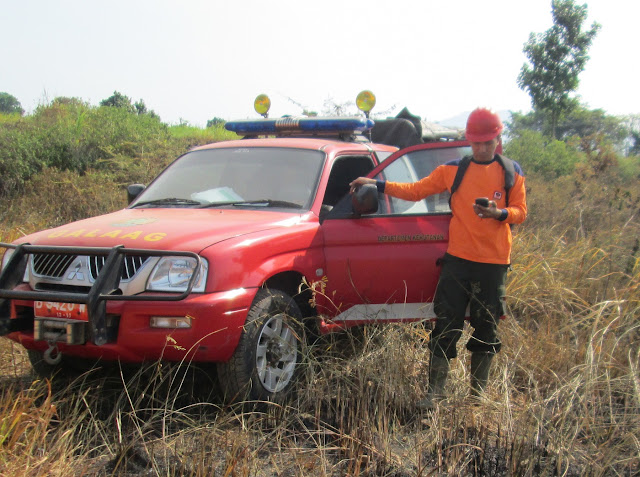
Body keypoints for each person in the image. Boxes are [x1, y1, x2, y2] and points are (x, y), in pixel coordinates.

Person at [349, 108, 527, 408]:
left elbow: (521, 211)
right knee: (446, 326)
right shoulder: (453, 170)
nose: (482, 148)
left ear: (498, 139)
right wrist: (377, 184)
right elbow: (417, 190)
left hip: (494, 264)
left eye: (488, 142)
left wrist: (499, 214)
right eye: (476, 143)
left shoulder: (512, 172)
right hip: (458, 261)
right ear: (469, 141)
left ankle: (477, 400)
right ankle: (435, 395)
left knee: (487, 329)